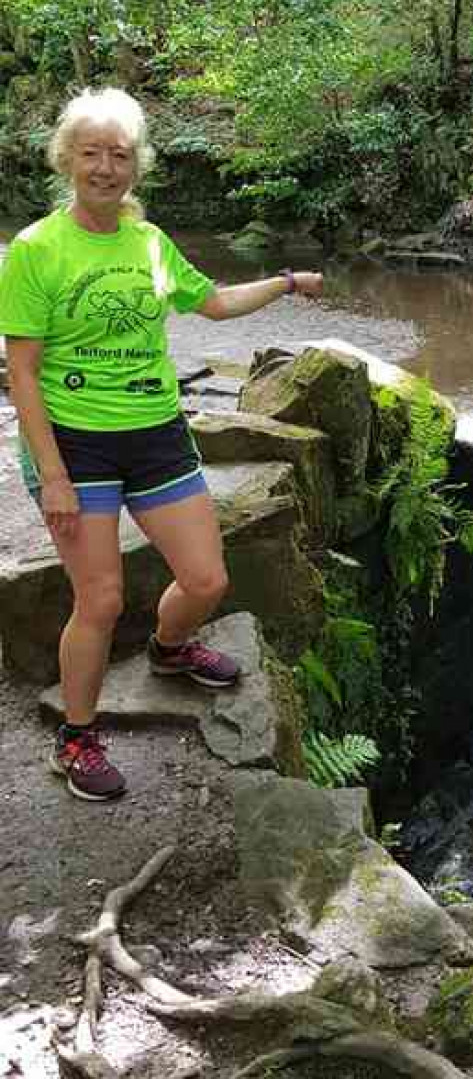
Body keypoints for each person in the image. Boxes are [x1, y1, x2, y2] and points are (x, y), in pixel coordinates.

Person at [0, 87, 324, 802]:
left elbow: (212, 302)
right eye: (92, 153)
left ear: (136, 166)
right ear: (67, 159)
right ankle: (76, 738)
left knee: (207, 579)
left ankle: (170, 650)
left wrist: (286, 282)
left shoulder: (148, 243)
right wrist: (52, 475)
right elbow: (19, 372)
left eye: (119, 155)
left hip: (154, 434)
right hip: (75, 445)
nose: (106, 168)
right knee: (102, 598)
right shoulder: (35, 250)